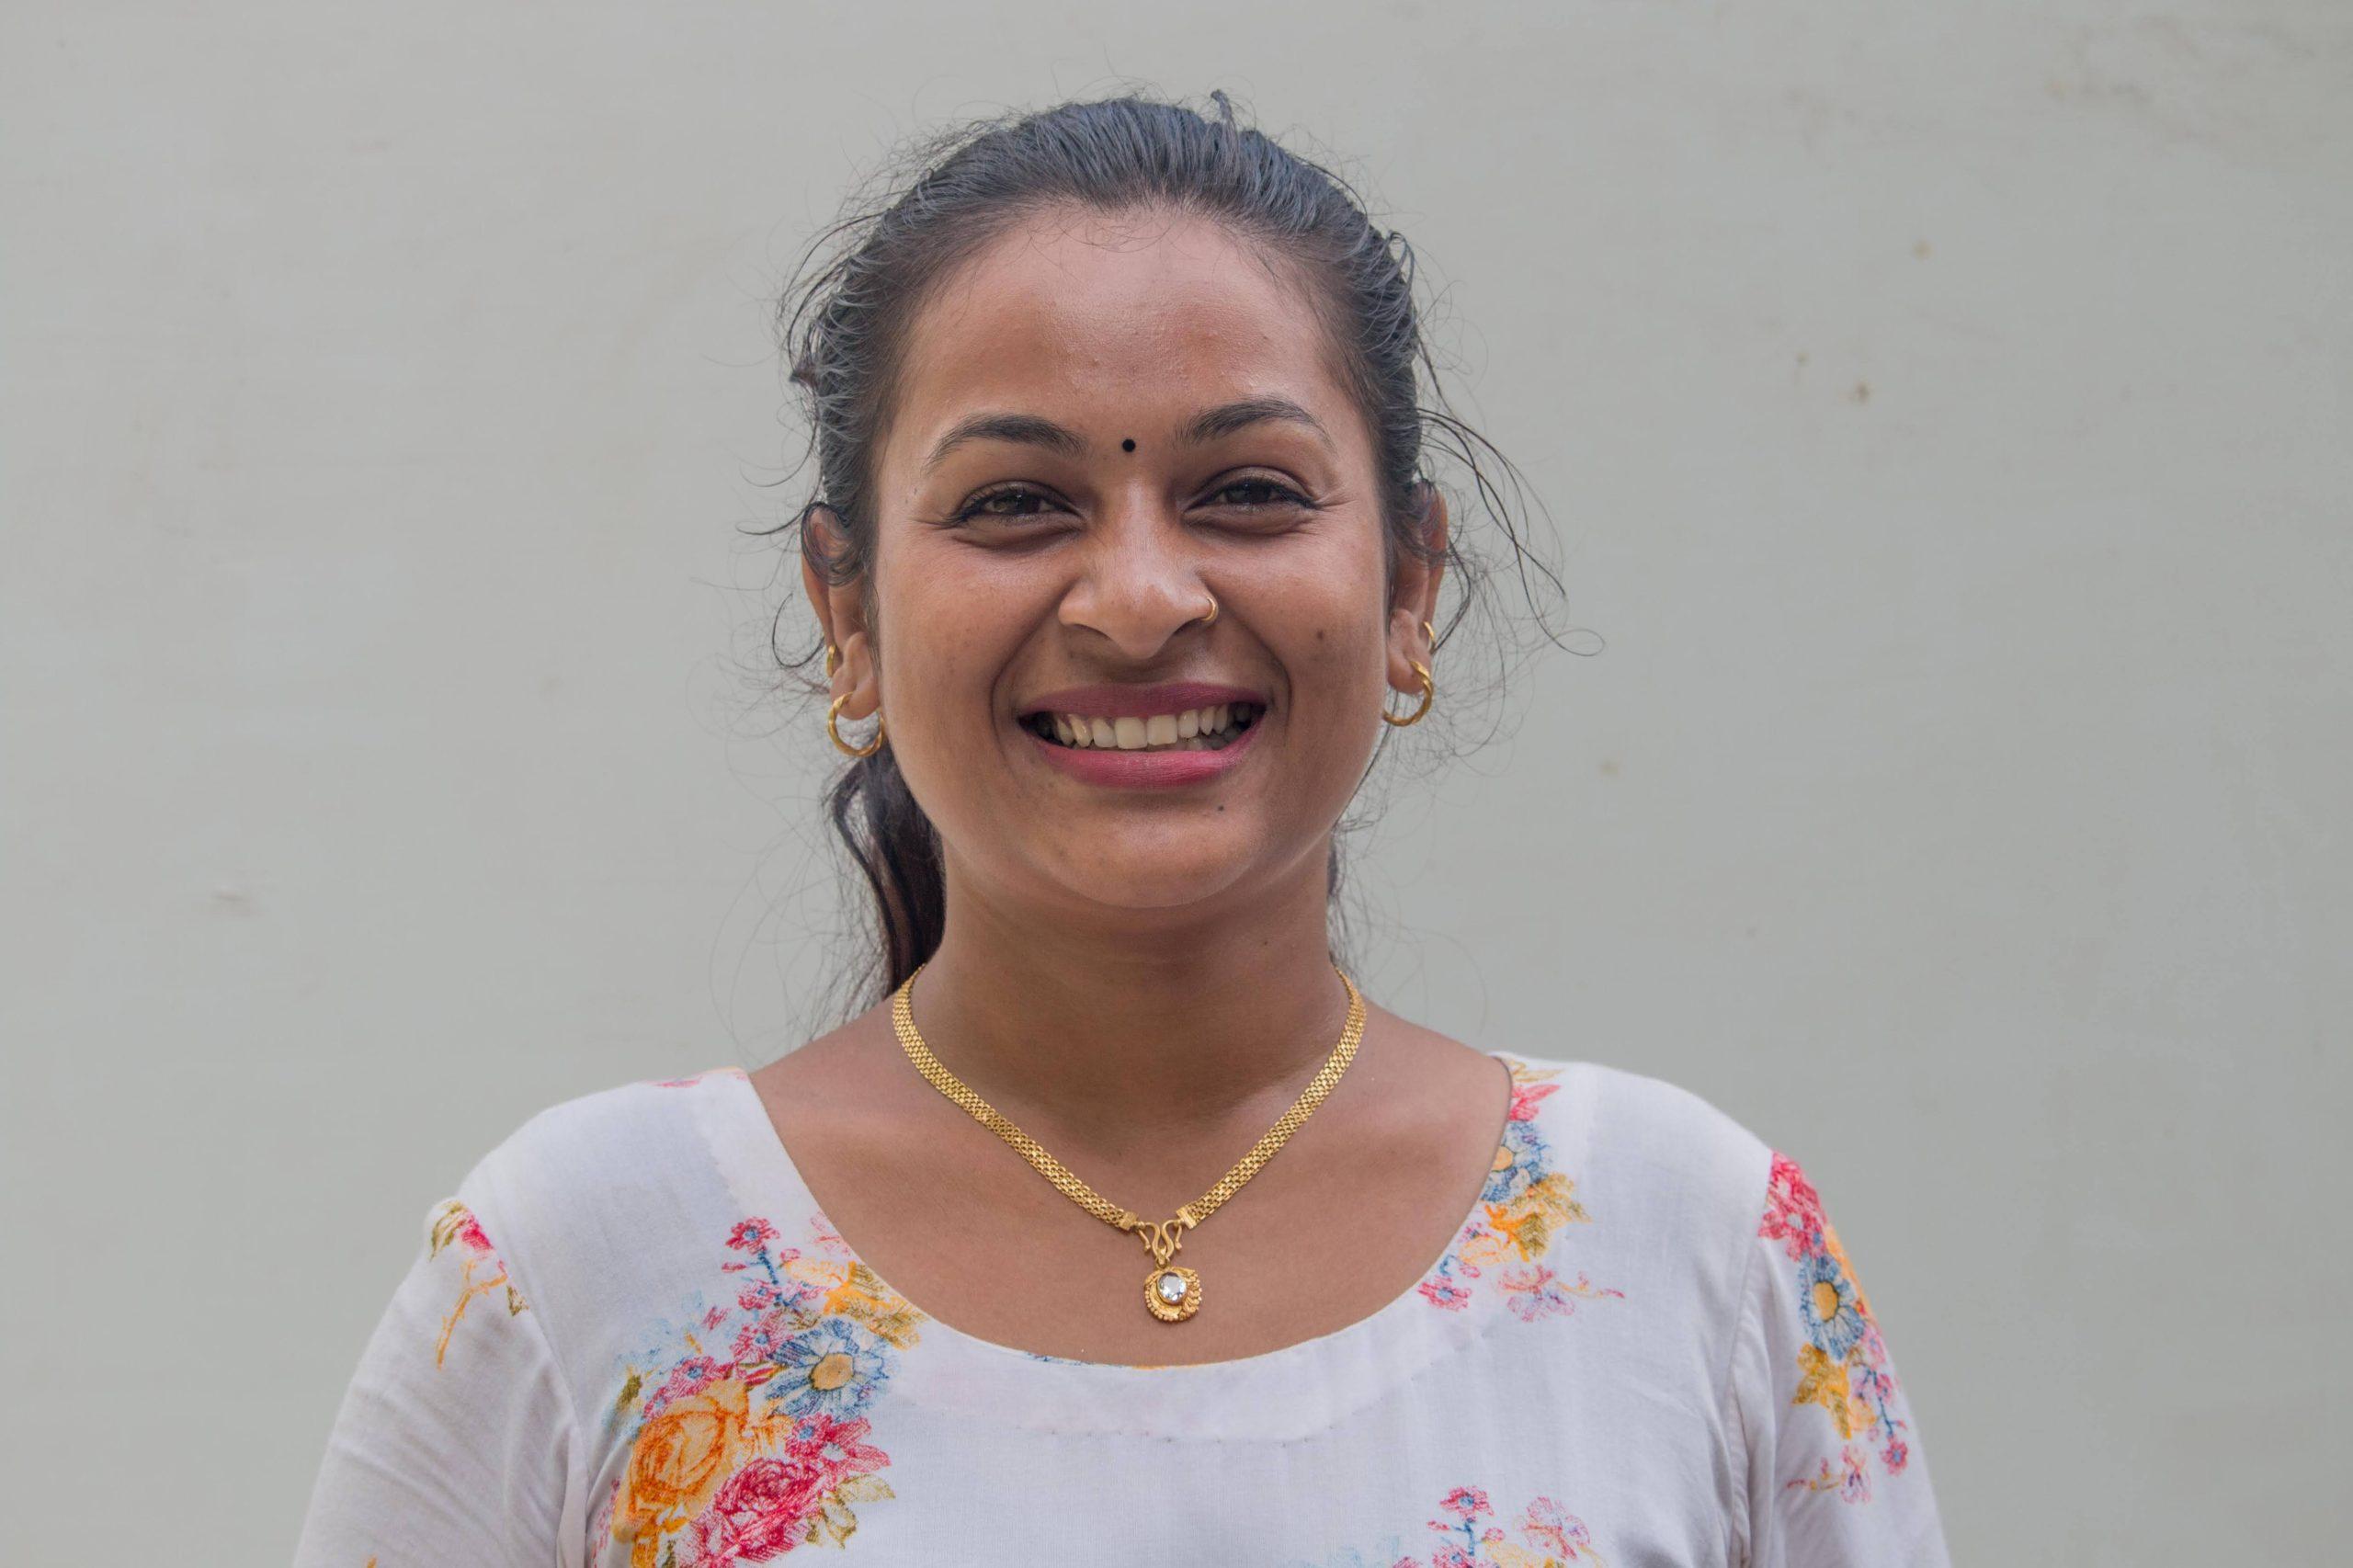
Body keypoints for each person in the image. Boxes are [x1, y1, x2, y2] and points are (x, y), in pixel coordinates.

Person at [293, 91, 1950, 1567]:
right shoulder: (583, 1271)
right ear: (846, 608)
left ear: (1410, 587)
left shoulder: (1692, 1257)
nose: (1144, 599)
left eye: (1248, 492)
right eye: (1017, 503)